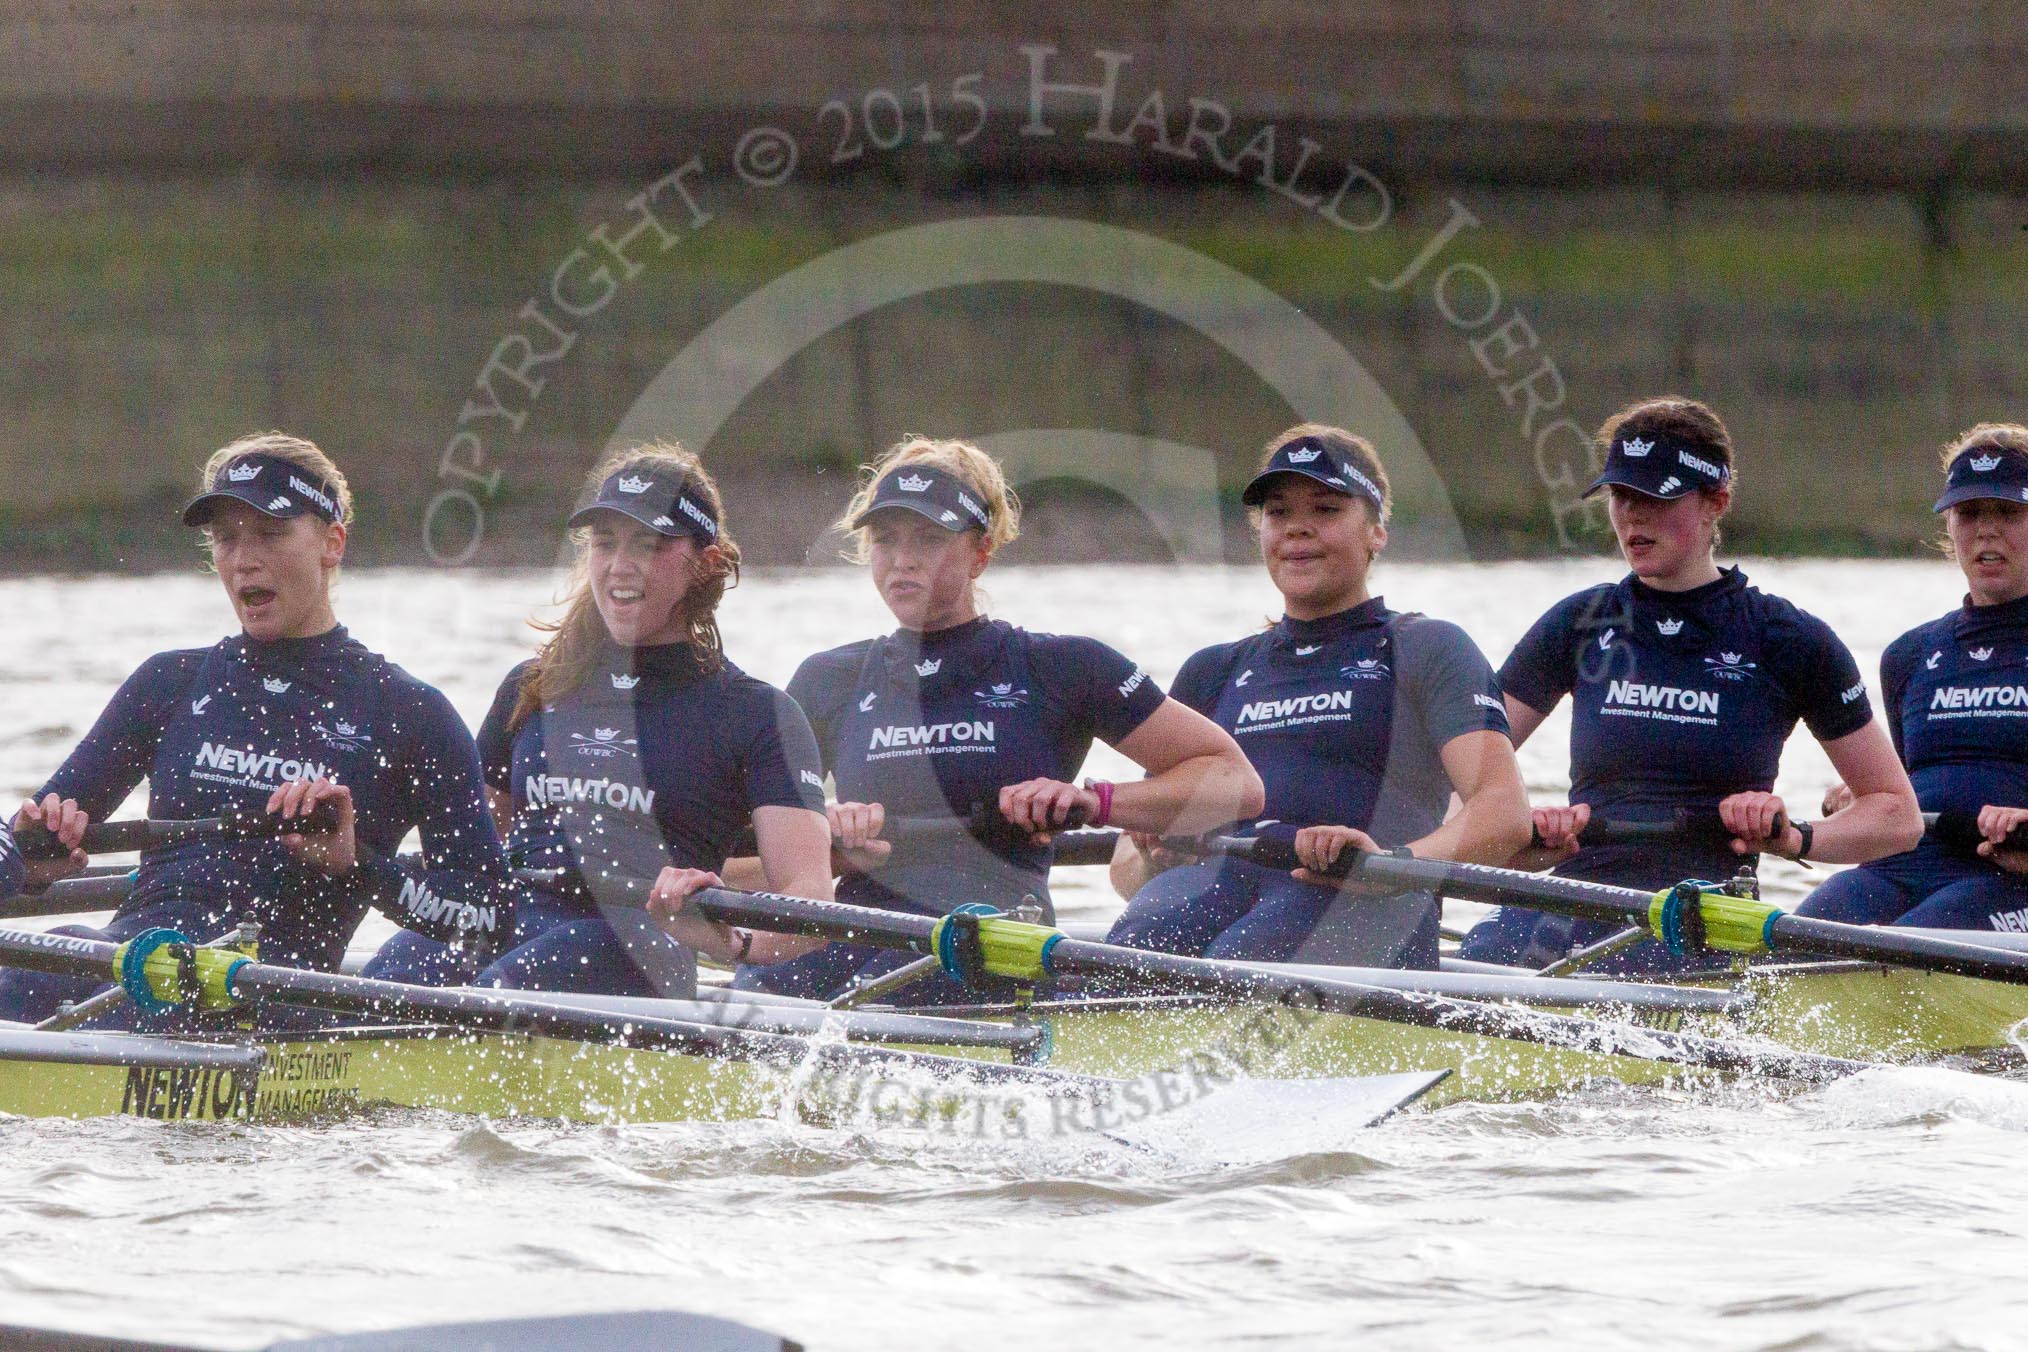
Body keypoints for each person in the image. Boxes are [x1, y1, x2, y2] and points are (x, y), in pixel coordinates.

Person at [706, 434, 1261, 1004]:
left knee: (863, 995)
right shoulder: (827, 679)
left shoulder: (1063, 667)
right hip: (862, 928)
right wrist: (819, 839)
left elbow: (1236, 782)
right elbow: (720, 857)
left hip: (994, 932)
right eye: (885, 539)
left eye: (928, 538)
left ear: (981, 553)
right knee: (760, 994)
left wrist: (1098, 803)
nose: (902, 559)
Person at [1, 432, 514, 1025]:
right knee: (55, 952)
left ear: (332, 542)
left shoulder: (410, 714)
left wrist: (357, 865)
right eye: (226, 538)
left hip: (266, 994)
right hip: (127, 967)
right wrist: (27, 858)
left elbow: (489, 920)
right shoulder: (168, 683)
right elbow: (26, 835)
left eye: (270, 534)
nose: (245, 559)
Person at [1459, 397, 1922, 973]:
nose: (1632, 517)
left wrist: (1795, 838)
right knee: (1471, 967)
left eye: (1657, 497)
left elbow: (1896, 815)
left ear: (1716, 502)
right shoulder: (1579, 624)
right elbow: (1467, 782)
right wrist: (1522, 838)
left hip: (1703, 907)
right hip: (1580, 889)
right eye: (1622, 496)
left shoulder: (1786, 638)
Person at [364, 444, 833, 998]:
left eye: (649, 545)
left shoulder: (757, 715)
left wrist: (732, 944)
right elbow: (472, 857)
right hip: (509, 923)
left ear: (704, 563)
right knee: (383, 986)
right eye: (604, 543)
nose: (619, 565)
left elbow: (812, 903)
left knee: (493, 998)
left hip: (636, 944)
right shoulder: (530, 688)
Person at [1105, 423, 1532, 968]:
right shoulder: (1212, 669)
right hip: (1212, 890)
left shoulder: (1427, 648)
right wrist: (1154, 861)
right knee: (1118, 968)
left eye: (1326, 510)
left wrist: (1393, 866)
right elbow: (1124, 865)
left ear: (1376, 531)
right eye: (1279, 513)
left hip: (1368, 902)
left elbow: (1505, 814)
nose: (1297, 530)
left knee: (1236, 970)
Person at [1799, 424, 2028, 930]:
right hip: (1901, 867)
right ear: (1949, 526)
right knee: (1800, 939)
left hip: (2011, 879)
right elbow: (1897, 788)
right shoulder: (1909, 655)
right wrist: (1867, 796)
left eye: (2009, 513)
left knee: (1913, 944)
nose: (1986, 532)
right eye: (1969, 514)